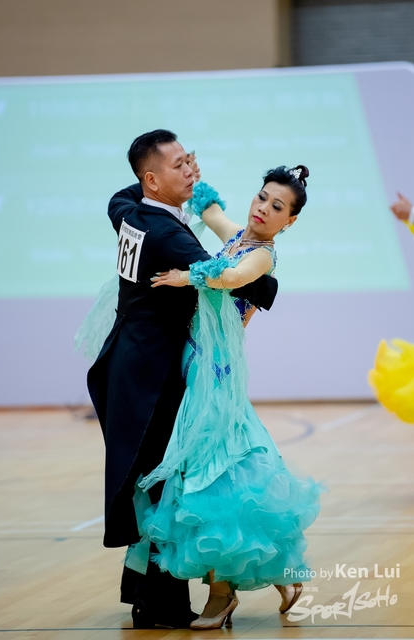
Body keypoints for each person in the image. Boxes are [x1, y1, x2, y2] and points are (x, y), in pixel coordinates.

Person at [84, 129, 278, 629]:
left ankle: (144, 595)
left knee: (150, 481)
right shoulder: (168, 235)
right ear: (152, 180)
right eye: (178, 165)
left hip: (127, 362)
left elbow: (121, 194)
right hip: (150, 376)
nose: (191, 169)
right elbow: (225, 277)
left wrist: (176, 184)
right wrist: (268, 267)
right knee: (160, 483)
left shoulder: (128, 209)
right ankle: (162, 604)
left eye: (190, 159)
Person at [126, 165, 324, 630]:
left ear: (289, 221)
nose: (263, 208)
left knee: (213, 470)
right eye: (262, 197)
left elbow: (232, 277)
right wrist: (187, 174)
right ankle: (277, 574)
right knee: (224, 467)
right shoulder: (237, 233)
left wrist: (188, 276)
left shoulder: (262, 258)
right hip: (192, 357)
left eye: (277, 206)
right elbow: (210, 209)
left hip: (216, 368)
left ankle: (222, 593)